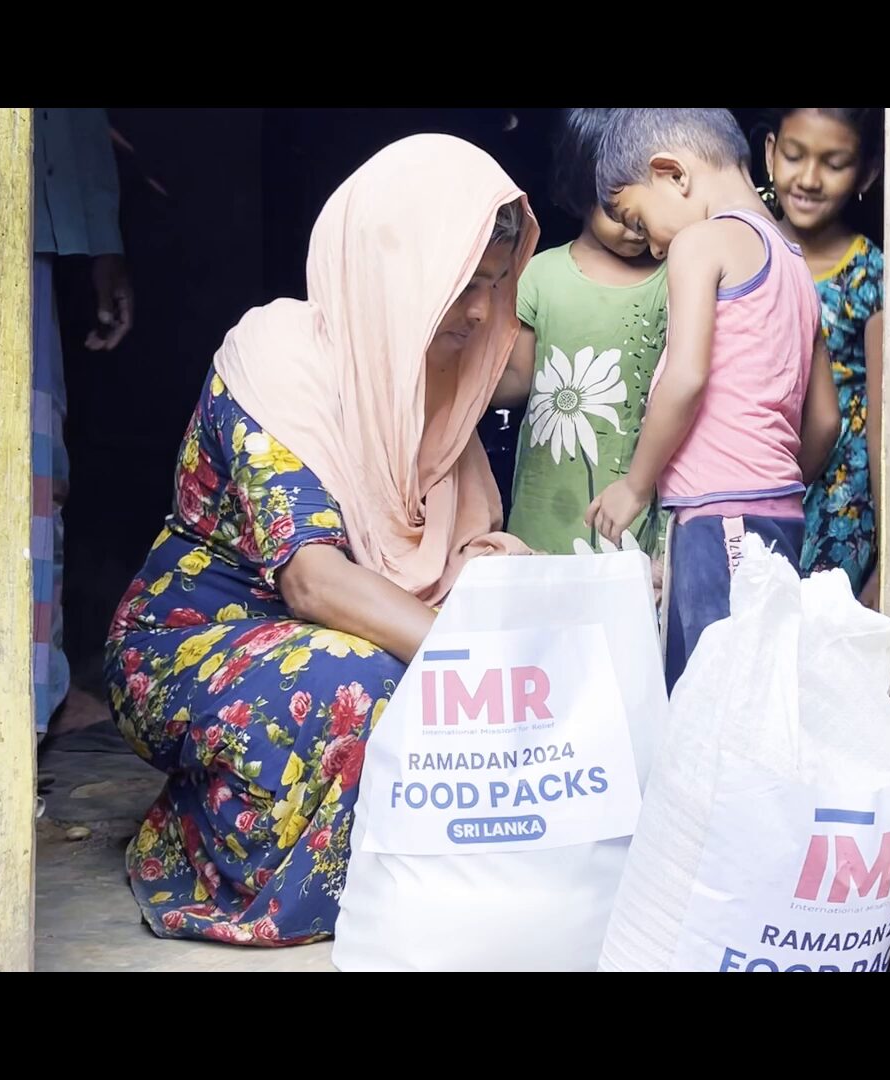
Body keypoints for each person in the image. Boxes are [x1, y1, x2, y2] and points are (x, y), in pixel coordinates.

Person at [104, 135, 535, 946]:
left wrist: (499, 578)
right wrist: (475, 666)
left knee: (459, 659)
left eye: (495, 285)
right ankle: (201, 840)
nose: (481, 313)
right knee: (367, 680)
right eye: (462, 285)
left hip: (338, 633)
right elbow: (314, 584)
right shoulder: (276, 362)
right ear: (395, 271)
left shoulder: (435, 390)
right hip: (196, 640)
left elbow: (450, 553)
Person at [583, 108, 838, 688]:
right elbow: (824, 420)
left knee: (708, 708)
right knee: (755, 698)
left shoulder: (701, 243)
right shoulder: (797, 264)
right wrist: (770, 480)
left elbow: (686, 377)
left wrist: (636, 486)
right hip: (777, 513)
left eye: (640, 222)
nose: (648, 246)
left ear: (673, 174)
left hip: (720, 516)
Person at [494, 109, 669, 556]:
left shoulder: (676, 279)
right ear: (581, 186)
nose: (636, 225)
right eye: (616, 207)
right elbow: (516, 381)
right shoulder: (539, 274)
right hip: (543, 513)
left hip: (637, 517)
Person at [34, 108, 134, 754]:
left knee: (36, 464)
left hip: (28, 223)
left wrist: (102, 239)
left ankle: (40, 690)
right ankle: (34, 697)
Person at [763, 108, 886, 607]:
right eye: (794, 156)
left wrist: (889, 555)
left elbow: (882, 419)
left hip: (841, 503)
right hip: (756, 481)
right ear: (770, 152)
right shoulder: (746, 252)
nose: (809, 179)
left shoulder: (868, 274)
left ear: (867, 174)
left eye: (833, 163)